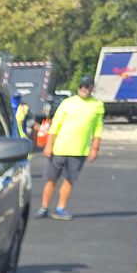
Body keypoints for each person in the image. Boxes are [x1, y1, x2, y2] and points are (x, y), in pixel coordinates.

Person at [40, 76, 103, 220]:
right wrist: (49, 145)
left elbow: (98, 128)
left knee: (69, 180)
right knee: (51, 179)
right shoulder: (67, 103)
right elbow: (55, 125)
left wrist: (95, 148)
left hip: (79, 150)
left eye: (87, 86)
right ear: (78, 87)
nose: (84, 89)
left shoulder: (97, 105)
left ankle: (60, 208)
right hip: (59, 148)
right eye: (82, 86)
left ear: (92, 88)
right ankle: (44, 208)